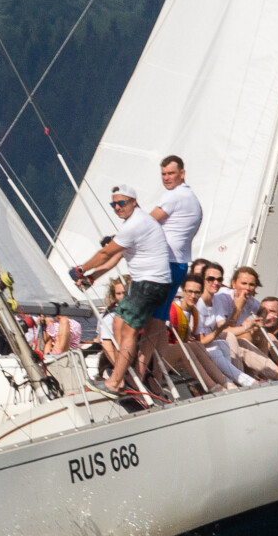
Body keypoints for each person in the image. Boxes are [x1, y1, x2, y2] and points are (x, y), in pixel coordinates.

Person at [72, 184, 172, 393]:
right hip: (150, 285)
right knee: (119, 323)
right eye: (114, 204)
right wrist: (91, 278)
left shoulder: (135, 223)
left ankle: (118, 381)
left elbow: (105, 253)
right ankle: (126, 375)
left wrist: (80, 269)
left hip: (148, 285)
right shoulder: (136, 224)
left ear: (134, 202)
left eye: (121, 203)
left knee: (128, 330)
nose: (117, 207)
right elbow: (112, 261)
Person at [149, 155, 203, 314]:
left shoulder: (174, 195)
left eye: (171, 173)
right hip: (179, 264)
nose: (166, 178)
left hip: (166, 264)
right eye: (163, 174)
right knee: (159, 317)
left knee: (150, 316)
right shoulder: (191, 196)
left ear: (182, 173)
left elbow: (146, 223)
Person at [160, 274, 231, 393]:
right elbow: (161, 343)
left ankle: (225, 382)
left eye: (197, 292)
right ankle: (213, 387)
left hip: (179, 358)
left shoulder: (194, 313)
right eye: (189, 292)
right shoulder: (170, 311)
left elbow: (200, 341)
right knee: (186, 348)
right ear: (183, 291)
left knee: (198, 346)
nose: (193, 296)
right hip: (162, 359)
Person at [194, 263, 256, 387]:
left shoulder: (215, 300)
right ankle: (249, 383)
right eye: (211, 279)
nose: (215, 282)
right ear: (203, 280)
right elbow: (201, 341)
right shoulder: (199, 303)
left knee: (223, 343)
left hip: (210, 342)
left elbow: (225, 326)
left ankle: (229, 382)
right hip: (197, 346)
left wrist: (238, 310)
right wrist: (240, 326)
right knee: (216, 350)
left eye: (219, 279)